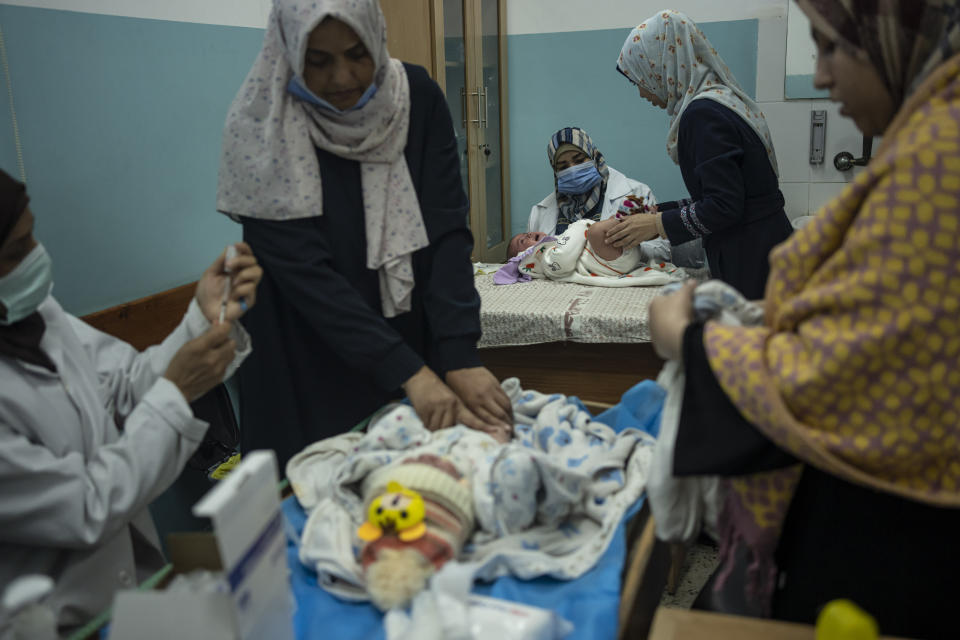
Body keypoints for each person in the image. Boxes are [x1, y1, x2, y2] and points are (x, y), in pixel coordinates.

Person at [647, 2, 960, 637]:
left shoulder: (937, 159)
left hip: (896, 536)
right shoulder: (723, 102)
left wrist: (686, 339)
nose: (819, 76)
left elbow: (834, 370)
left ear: (887, 40)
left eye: (829, 47)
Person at [216, 0, 512, 468]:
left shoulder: (414, 97)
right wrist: (407, 371)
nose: (342, 78)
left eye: (357, 53)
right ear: (290, 52)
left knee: (418, 492)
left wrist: (458, 353)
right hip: (304, 347)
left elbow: (446, 230)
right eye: (317, 61)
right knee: (322, 489)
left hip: (407, 328)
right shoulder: (266, 126)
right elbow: (306, 277)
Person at [0, 170, 263, 632]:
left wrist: (202, 318)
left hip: (125, 596)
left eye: (32, 234)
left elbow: (125, 384)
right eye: (16, 252)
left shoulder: (36, 315)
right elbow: (86, 506)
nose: (37, 256)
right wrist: (177, 391)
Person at [612, 10, 793, 299]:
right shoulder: (722, 100)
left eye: (640, 80)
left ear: (662, 65)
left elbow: (724, 207)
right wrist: (657, 212)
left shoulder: (703, 115)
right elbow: (727, 194)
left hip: (751, 258)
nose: (643, 94)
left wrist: (658, 226)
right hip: (762, 245)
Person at [525, 127, 704, 268]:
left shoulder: (635, 194)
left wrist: (625, 250)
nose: (572, 169)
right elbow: (528, 260)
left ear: (594, 157)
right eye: (563, 166)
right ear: (555, 171)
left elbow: (663, 252)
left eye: (579, 160)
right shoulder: (540, 212)